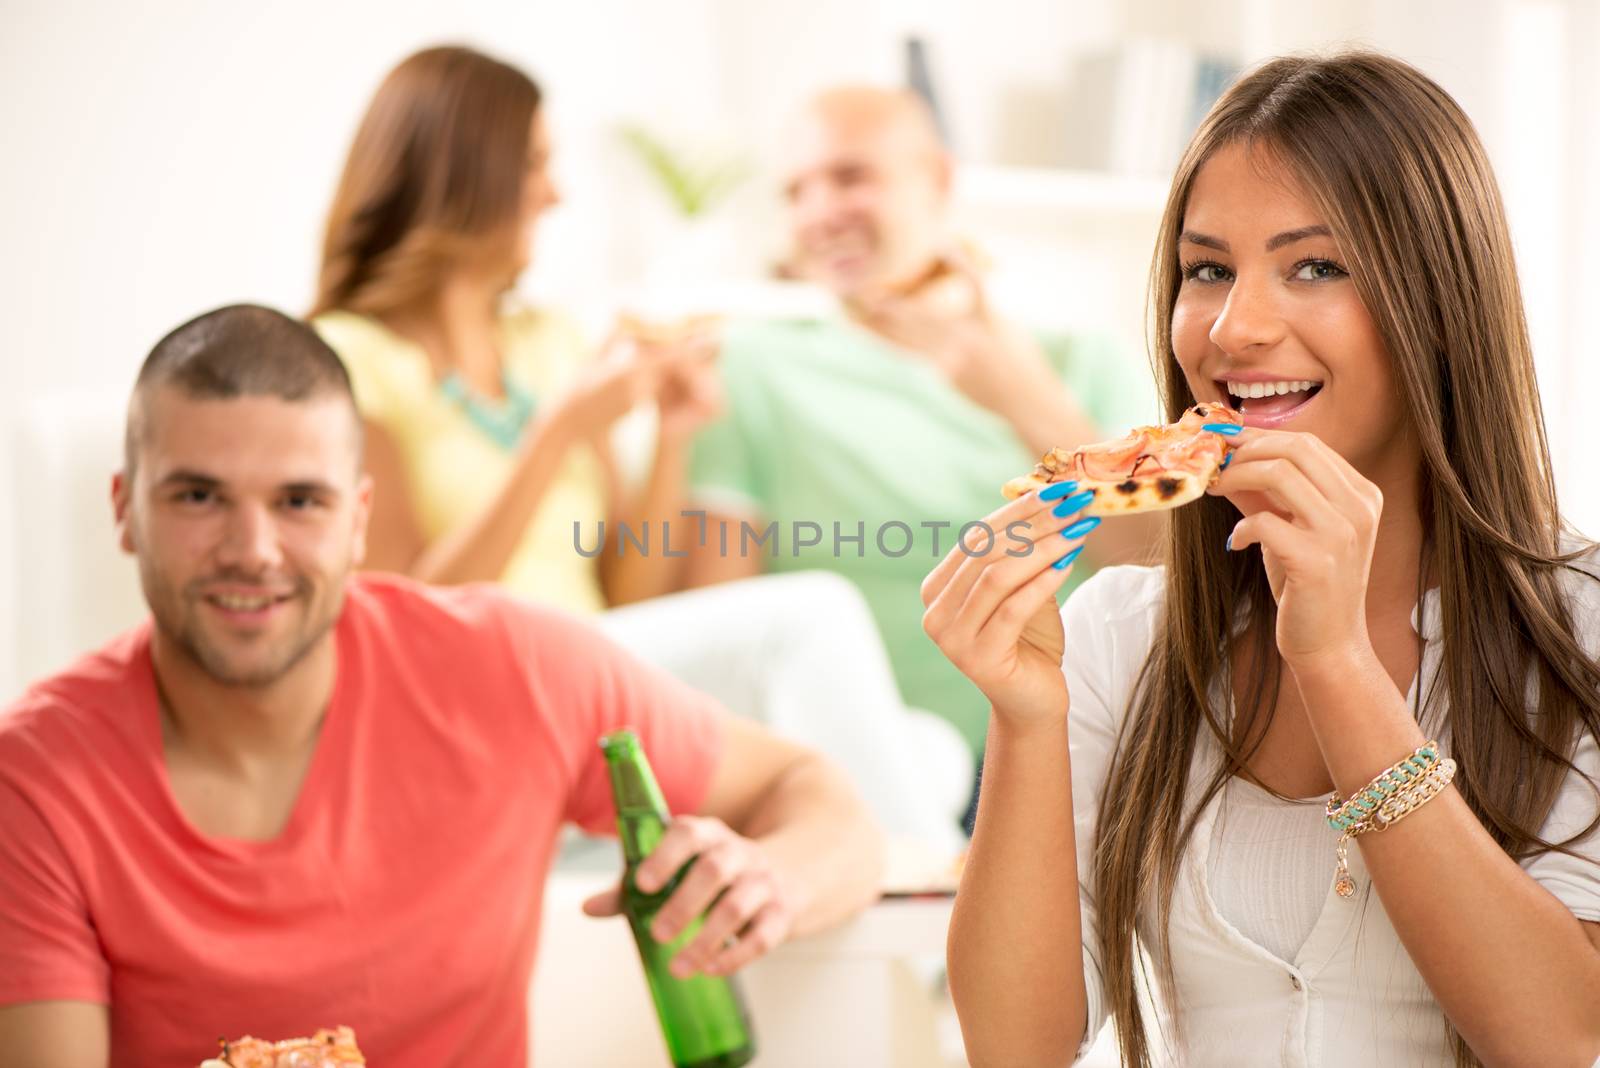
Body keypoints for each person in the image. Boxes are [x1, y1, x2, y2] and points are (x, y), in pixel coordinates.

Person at [926, 52, 1600, 1066]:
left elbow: (1558, 1037)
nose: (1235, 328)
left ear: (1440, 305)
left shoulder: (1578, 621)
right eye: (1207, 270)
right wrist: (1024, 721)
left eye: (1315, 267)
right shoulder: (1119, 636)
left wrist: (1334, 664)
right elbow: (1014, 1051)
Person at [0, 305, 884, 1068]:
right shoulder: (35, 779)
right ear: (125, 509)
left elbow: (818, 796)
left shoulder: (512, 667)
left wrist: (765, 878)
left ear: (359, 521)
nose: (253, 550)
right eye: (198, 497)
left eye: (300, 501)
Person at [308, 46, 971, 849]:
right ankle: (951, 962)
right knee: (816, 615)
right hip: (475, 684)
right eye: (534, 164)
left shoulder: (545, 343)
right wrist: (558, 435)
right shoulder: (344, 361)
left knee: (928, 748)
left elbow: (631, 597)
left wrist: (673, 438)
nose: (554, 194)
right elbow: (403, 628)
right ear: (464, 171)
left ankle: (903, 921)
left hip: (592, 668)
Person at [682, 85, 1163, 762]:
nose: (818, 214)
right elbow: (724, 624)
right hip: (858, 758)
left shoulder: (1077, 359)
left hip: (1073, 744)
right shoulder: (751, 366)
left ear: (935, 178)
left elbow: (1162, 568)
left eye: (850, 176)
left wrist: (1025, 400)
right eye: (796, 192)